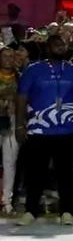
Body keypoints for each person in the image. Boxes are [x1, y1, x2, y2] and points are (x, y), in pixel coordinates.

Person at [15, 35, 73, 226]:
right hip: (38, 131)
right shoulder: (33, 70)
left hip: (66, 130)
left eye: (62, 44)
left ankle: (67, 211)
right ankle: (31, 210)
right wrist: (20, 125)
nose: (60, 47)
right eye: (56, 45)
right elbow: (21, 99)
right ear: (47, 48)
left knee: (65, 173)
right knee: (36, 173)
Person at [0, 46, 18, 214]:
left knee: (9, 162)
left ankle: (7, 201)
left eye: (11, 56)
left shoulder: (20, 76)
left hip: (12, 122)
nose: (8, 59)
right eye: (4, 56)